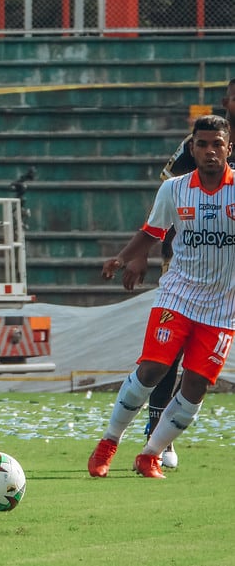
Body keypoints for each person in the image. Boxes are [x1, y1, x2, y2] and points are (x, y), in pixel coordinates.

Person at [89, 114, 235, 479]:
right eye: (202, 144)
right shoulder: (174, 189)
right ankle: (109, 442)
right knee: (153, 368)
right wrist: (125, 257)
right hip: (179, 294)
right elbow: (151, 231)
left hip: (223, 306)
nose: (210, 151)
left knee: (197, 385)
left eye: (217, 144)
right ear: (192, 149)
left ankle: (150, 453)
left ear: (228, 148)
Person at [142, 77, 235, 469]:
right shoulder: (196, 141)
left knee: (203, 361)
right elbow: (173, 189)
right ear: (227, 98)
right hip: (194, 259)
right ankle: (156, 430)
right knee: (172, 350)